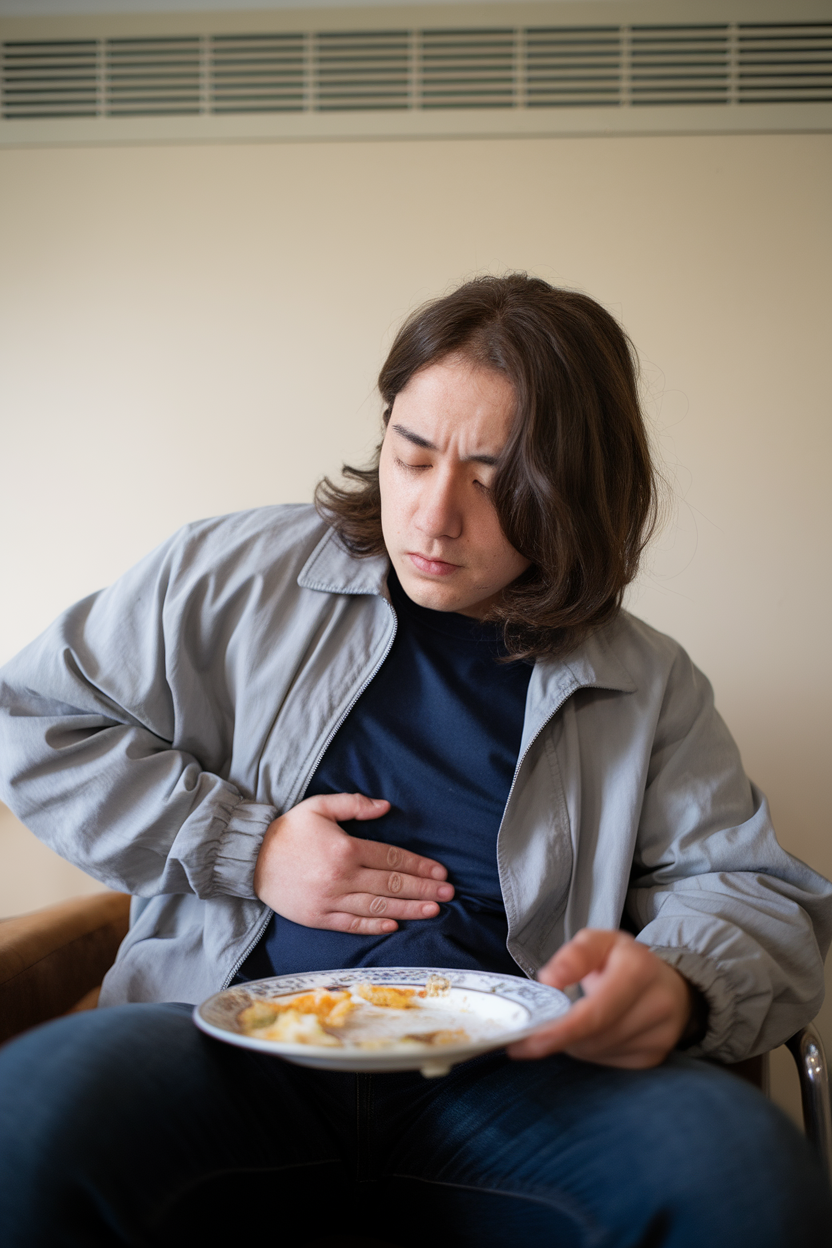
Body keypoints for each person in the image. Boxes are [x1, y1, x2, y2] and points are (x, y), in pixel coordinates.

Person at [0, 274, 830, 1246]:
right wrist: (252, 850)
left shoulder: (646, 682)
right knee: (24, 1116)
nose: (435, 516)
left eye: (495, 479)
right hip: (220, 1045)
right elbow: (34, 719)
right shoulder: (230, 574)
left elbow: (752, 891)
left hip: (519, 1087)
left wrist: (680, 983)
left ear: (578, 488)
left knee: (742, 1172)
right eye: (413, 452)